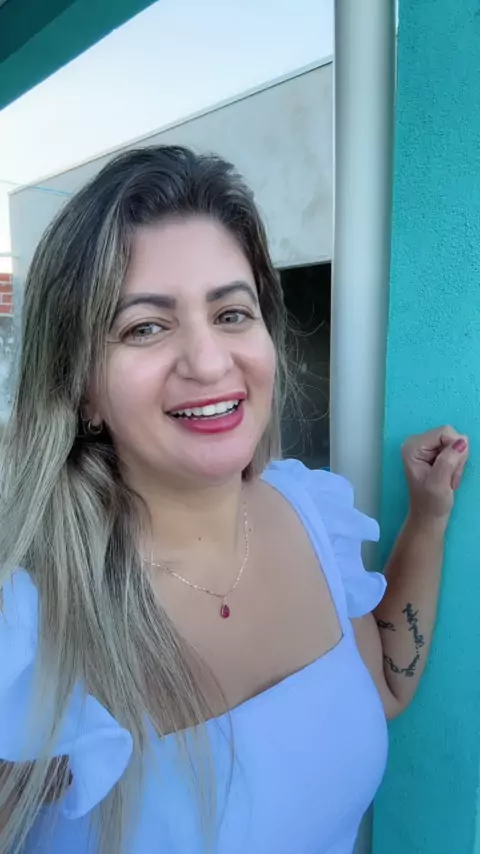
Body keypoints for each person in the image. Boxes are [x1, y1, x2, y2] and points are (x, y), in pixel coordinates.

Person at [0, 146, 468, 854]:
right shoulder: (31, 623)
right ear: (82, 388)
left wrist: (427, 520)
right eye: (145, 327)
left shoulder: (312, 514)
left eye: (231, 313)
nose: (210, 361)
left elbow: (383, 689)